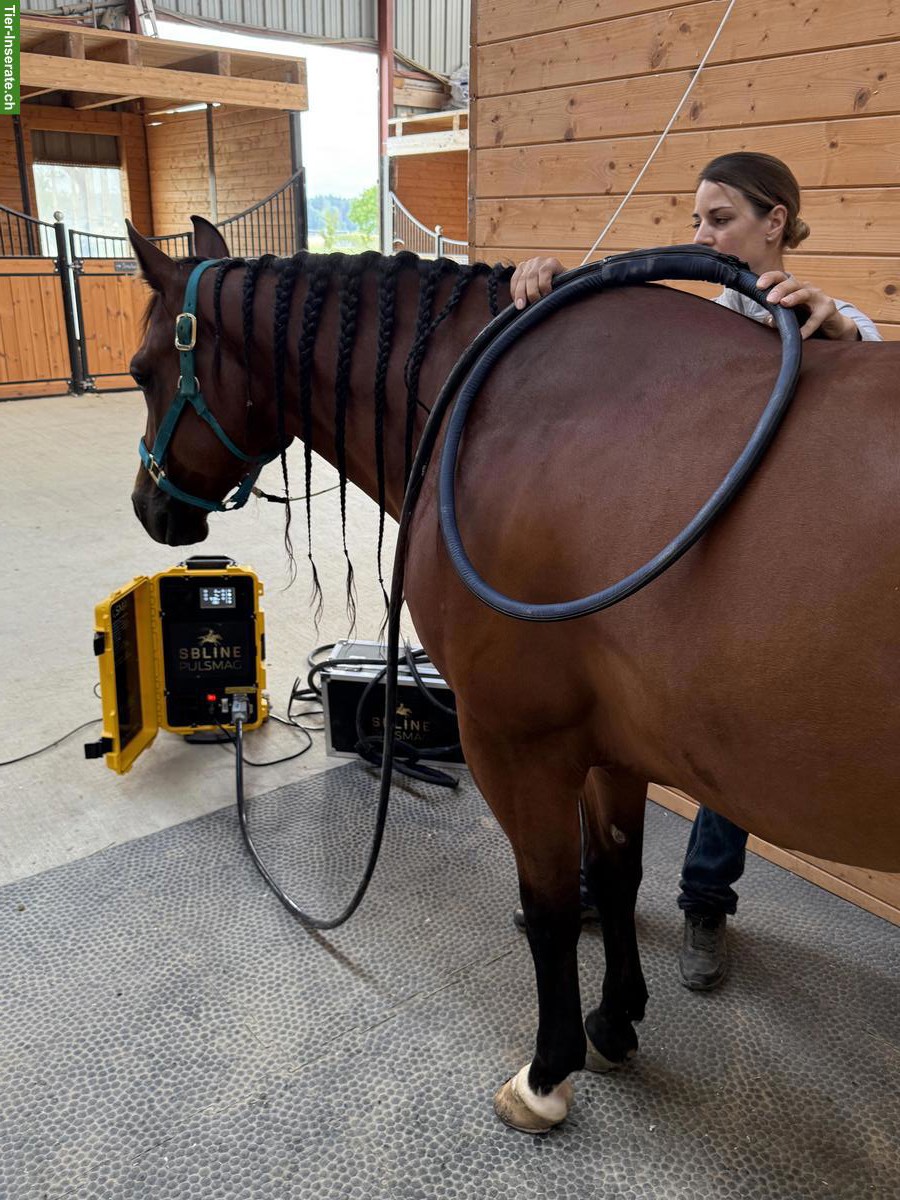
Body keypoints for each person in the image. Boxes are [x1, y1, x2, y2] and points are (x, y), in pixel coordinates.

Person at [508, 152, 883, 990]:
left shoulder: (822, 317)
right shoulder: (687, 324)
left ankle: (705, 899)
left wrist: (839, 326)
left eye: (719, 220)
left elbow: (865, 363)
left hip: (759, 572)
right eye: (694, 222)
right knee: (607, 721)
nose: (700, 236)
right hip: (666, 559)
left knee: (726, 730)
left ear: (774, 221)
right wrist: (547, 281)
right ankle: (603, 883)